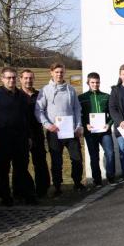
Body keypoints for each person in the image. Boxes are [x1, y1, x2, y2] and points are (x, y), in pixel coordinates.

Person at [0, 67, 36, 206]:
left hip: (21, 139)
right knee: (4, 171)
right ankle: (5, 197)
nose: (11, 80)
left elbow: (27, 119)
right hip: (2, 140)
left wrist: (29, 137)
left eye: (13, 77)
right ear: (2, 79)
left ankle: (25, 194)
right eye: (8, 77)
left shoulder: (22, 96)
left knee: (22, 169)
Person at [36, 63, 85, 194]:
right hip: (54, 132)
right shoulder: (45, 90)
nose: (59, 74)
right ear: (51, 73)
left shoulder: (71, 90)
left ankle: (77, 183)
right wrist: (48, 125)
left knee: (77, 158)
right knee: (56, 161)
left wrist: (79, 126)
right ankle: (57, 186)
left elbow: (77, 109)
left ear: (64, 73)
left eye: (61, 72)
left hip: (71, 131)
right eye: (56, 72)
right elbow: (38, 110)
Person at [78, 72, 115, 187]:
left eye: (97, 82)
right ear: (88, 83)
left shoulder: (106, 96)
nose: (95, 84)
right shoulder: (82, 98)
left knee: (110, 153)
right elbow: (79, 115)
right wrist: (85, 124)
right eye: (92, 82)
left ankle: (111, 177)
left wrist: (109, 124)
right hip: (90, 132)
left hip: (105, 131)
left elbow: (112, 113)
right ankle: (97, 180)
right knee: (94, 156)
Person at [20, 69, 50, 197]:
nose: (28, 80)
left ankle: (42, 190)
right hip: (22, 134)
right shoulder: (17, 95)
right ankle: (27, 190)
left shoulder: (40, 95)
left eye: (31, 78)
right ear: (21, 79)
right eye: (26, 78)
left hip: (37, 133)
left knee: (40, 162)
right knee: (22, 164)